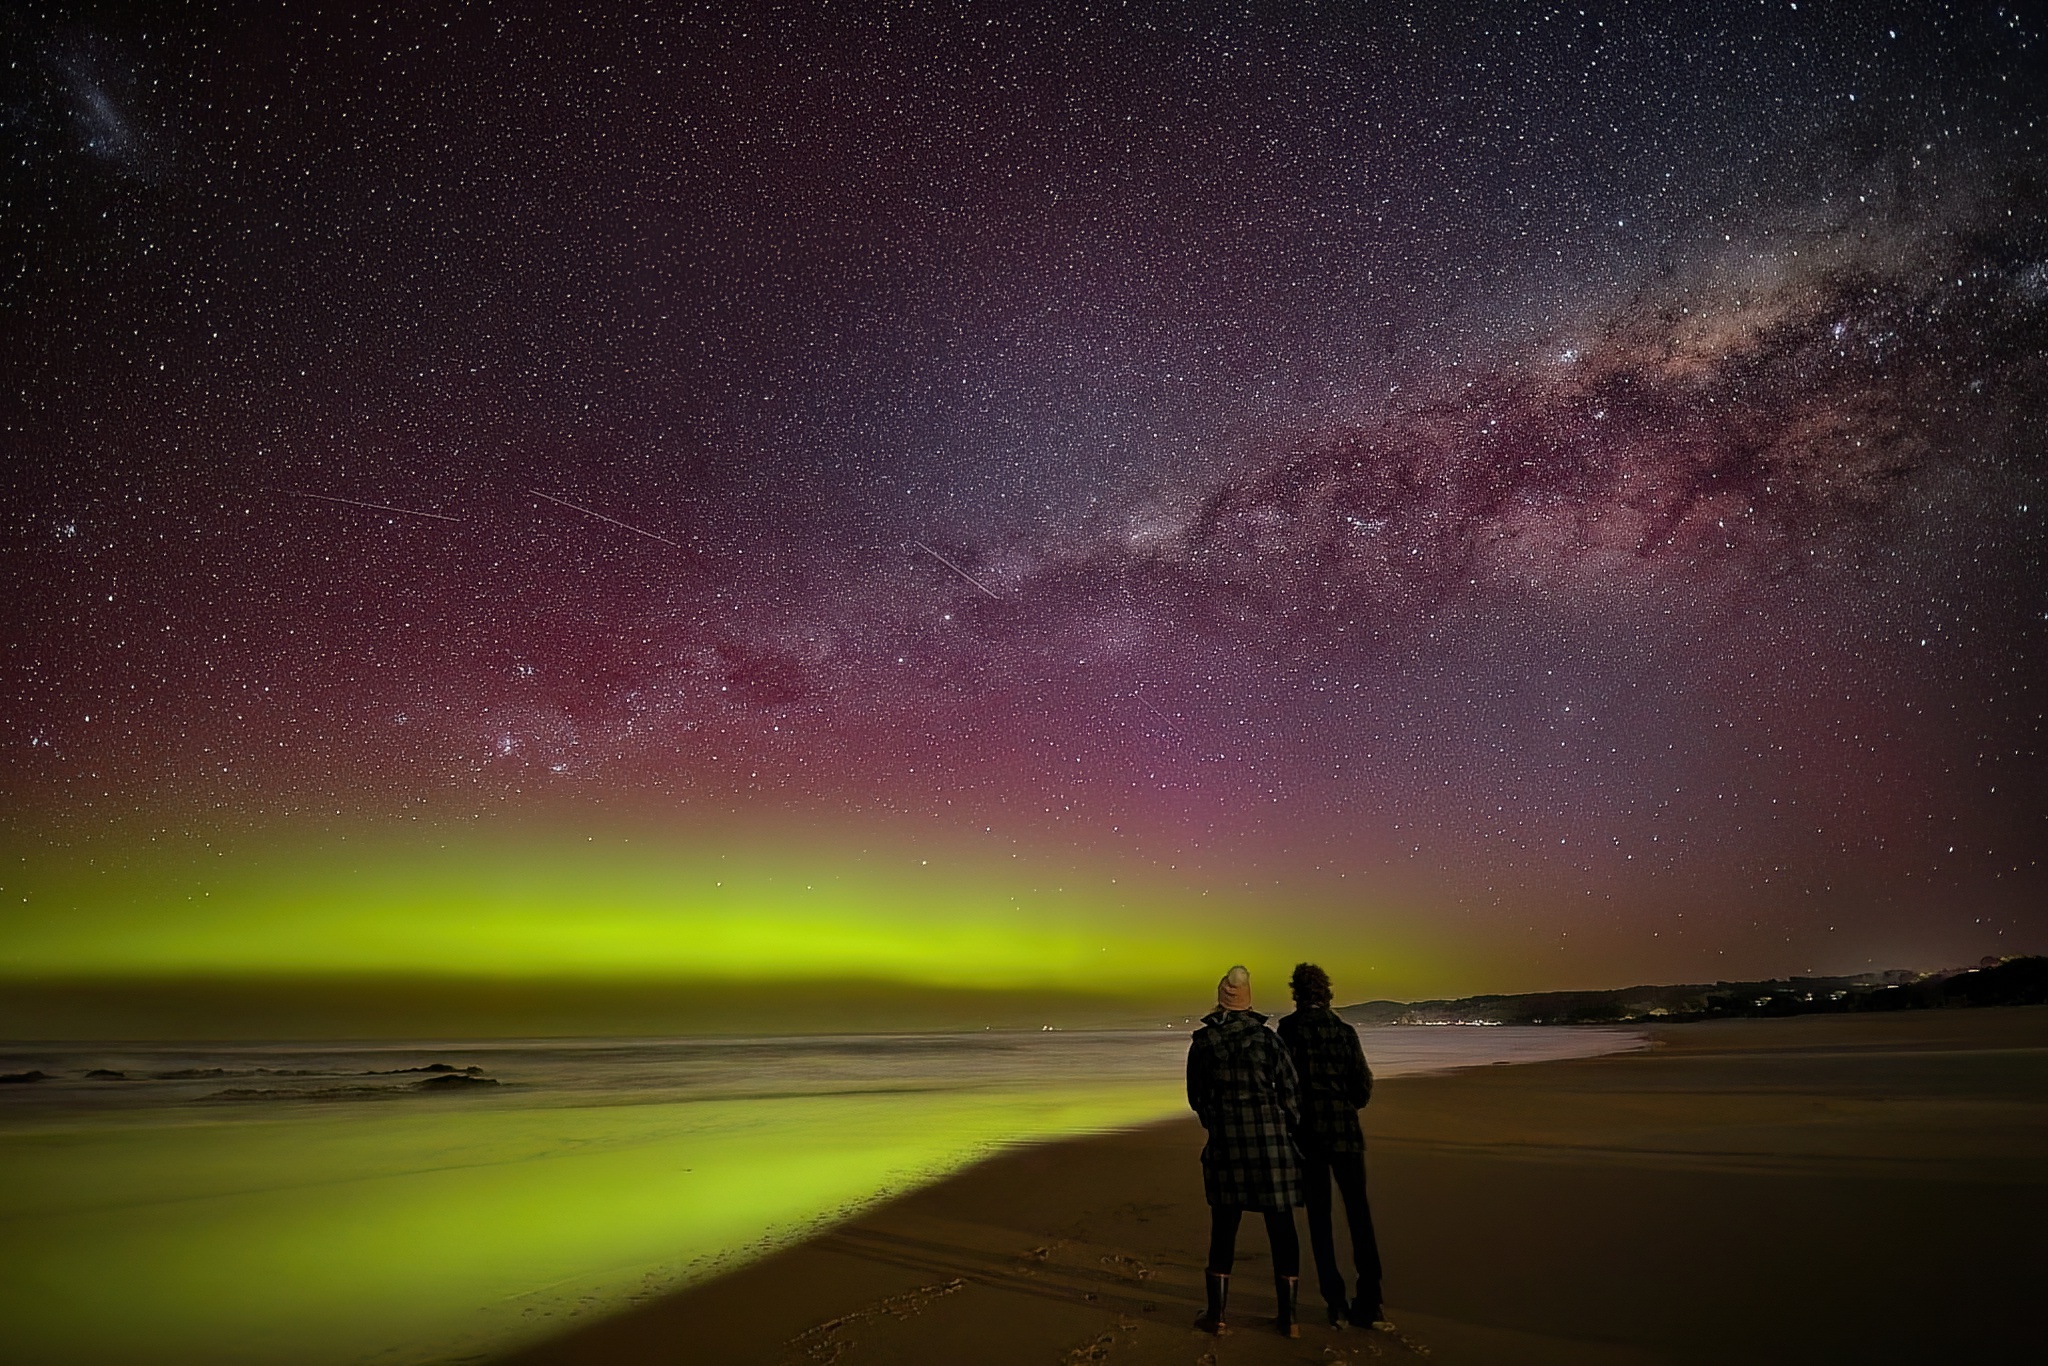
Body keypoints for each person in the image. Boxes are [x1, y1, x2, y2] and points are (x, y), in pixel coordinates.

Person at [1185, 964, 1304, 1337]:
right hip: (1271, 1145)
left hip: (1226, 1144)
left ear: (1220, 1001)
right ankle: (1288, 1319)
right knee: (1282, 1226)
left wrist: (1217, 1122)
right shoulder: (1269, 1041)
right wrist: (1284, 1126)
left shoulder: (1203, 1043)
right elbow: (1290, 1092)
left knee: (1224, 1227)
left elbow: (1197, 1098)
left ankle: (1217, 1316)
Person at [1276, 961, 1385, 1329]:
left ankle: (1335, 1301)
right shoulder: (1344, 1031)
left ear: (1296, 993)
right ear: (1326, 993)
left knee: (1320, 1220)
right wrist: (1344, 1104)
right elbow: (1362, 1087)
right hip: (1345, 1133)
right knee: (1359, 1217)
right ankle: (1370, 1300)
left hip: (1308, 1136)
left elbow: (1283, 1086)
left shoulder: (1287, 1031)